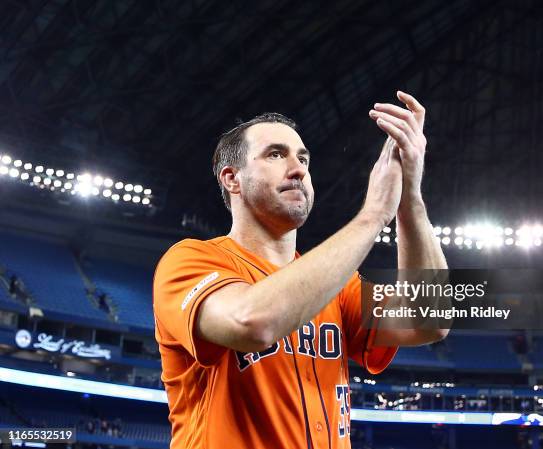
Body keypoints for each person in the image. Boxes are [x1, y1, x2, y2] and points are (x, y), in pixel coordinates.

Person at [153, 90, 449, 449]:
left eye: (304, 159)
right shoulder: (189, 260)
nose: (298, 170)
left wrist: (410, 202)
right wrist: (373, 215)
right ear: (232, 179)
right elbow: (252, 323)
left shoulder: (339, 285)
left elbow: (430, 320)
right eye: (275, 154)